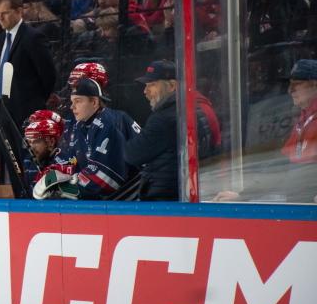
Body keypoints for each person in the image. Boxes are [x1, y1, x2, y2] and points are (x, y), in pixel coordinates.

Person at [215, 59, 317, 203]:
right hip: (299, 205)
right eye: (290, 84)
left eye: (297, 84)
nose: (290, 90)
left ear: (314, 85)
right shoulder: (304, 120)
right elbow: (280, 166)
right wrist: (243, 195)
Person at [126, 60, 212, 201]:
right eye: (146, 85)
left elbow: (132, 154)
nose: (145, 91)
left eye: (152, 85)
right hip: (182, 193)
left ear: (172, 86)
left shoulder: (164, 119)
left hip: (164, 198)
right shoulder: (194, 109)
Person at [34, 78, 131, 200]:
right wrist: (60, 170)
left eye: (78, 101)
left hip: (138, 198)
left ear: (94, 102)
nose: (72, 107)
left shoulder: (108, 123)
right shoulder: (83, 125)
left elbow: (106, 178)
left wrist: (64, 188)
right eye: (72, 101)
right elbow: (77, 162)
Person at [0, 0, 57, 127]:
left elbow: (48, 74)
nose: (0, 18)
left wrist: (34, 102)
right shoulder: (1, 39)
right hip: (3, 110)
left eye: (5, 13)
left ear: (19, 11)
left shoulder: (33, 37)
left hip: (27, 112)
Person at [23, 118, 65, 186]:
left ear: (51, 142)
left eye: (36, 141)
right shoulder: (29, 161)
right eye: (29, 142)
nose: (31, 147)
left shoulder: (63, 163)